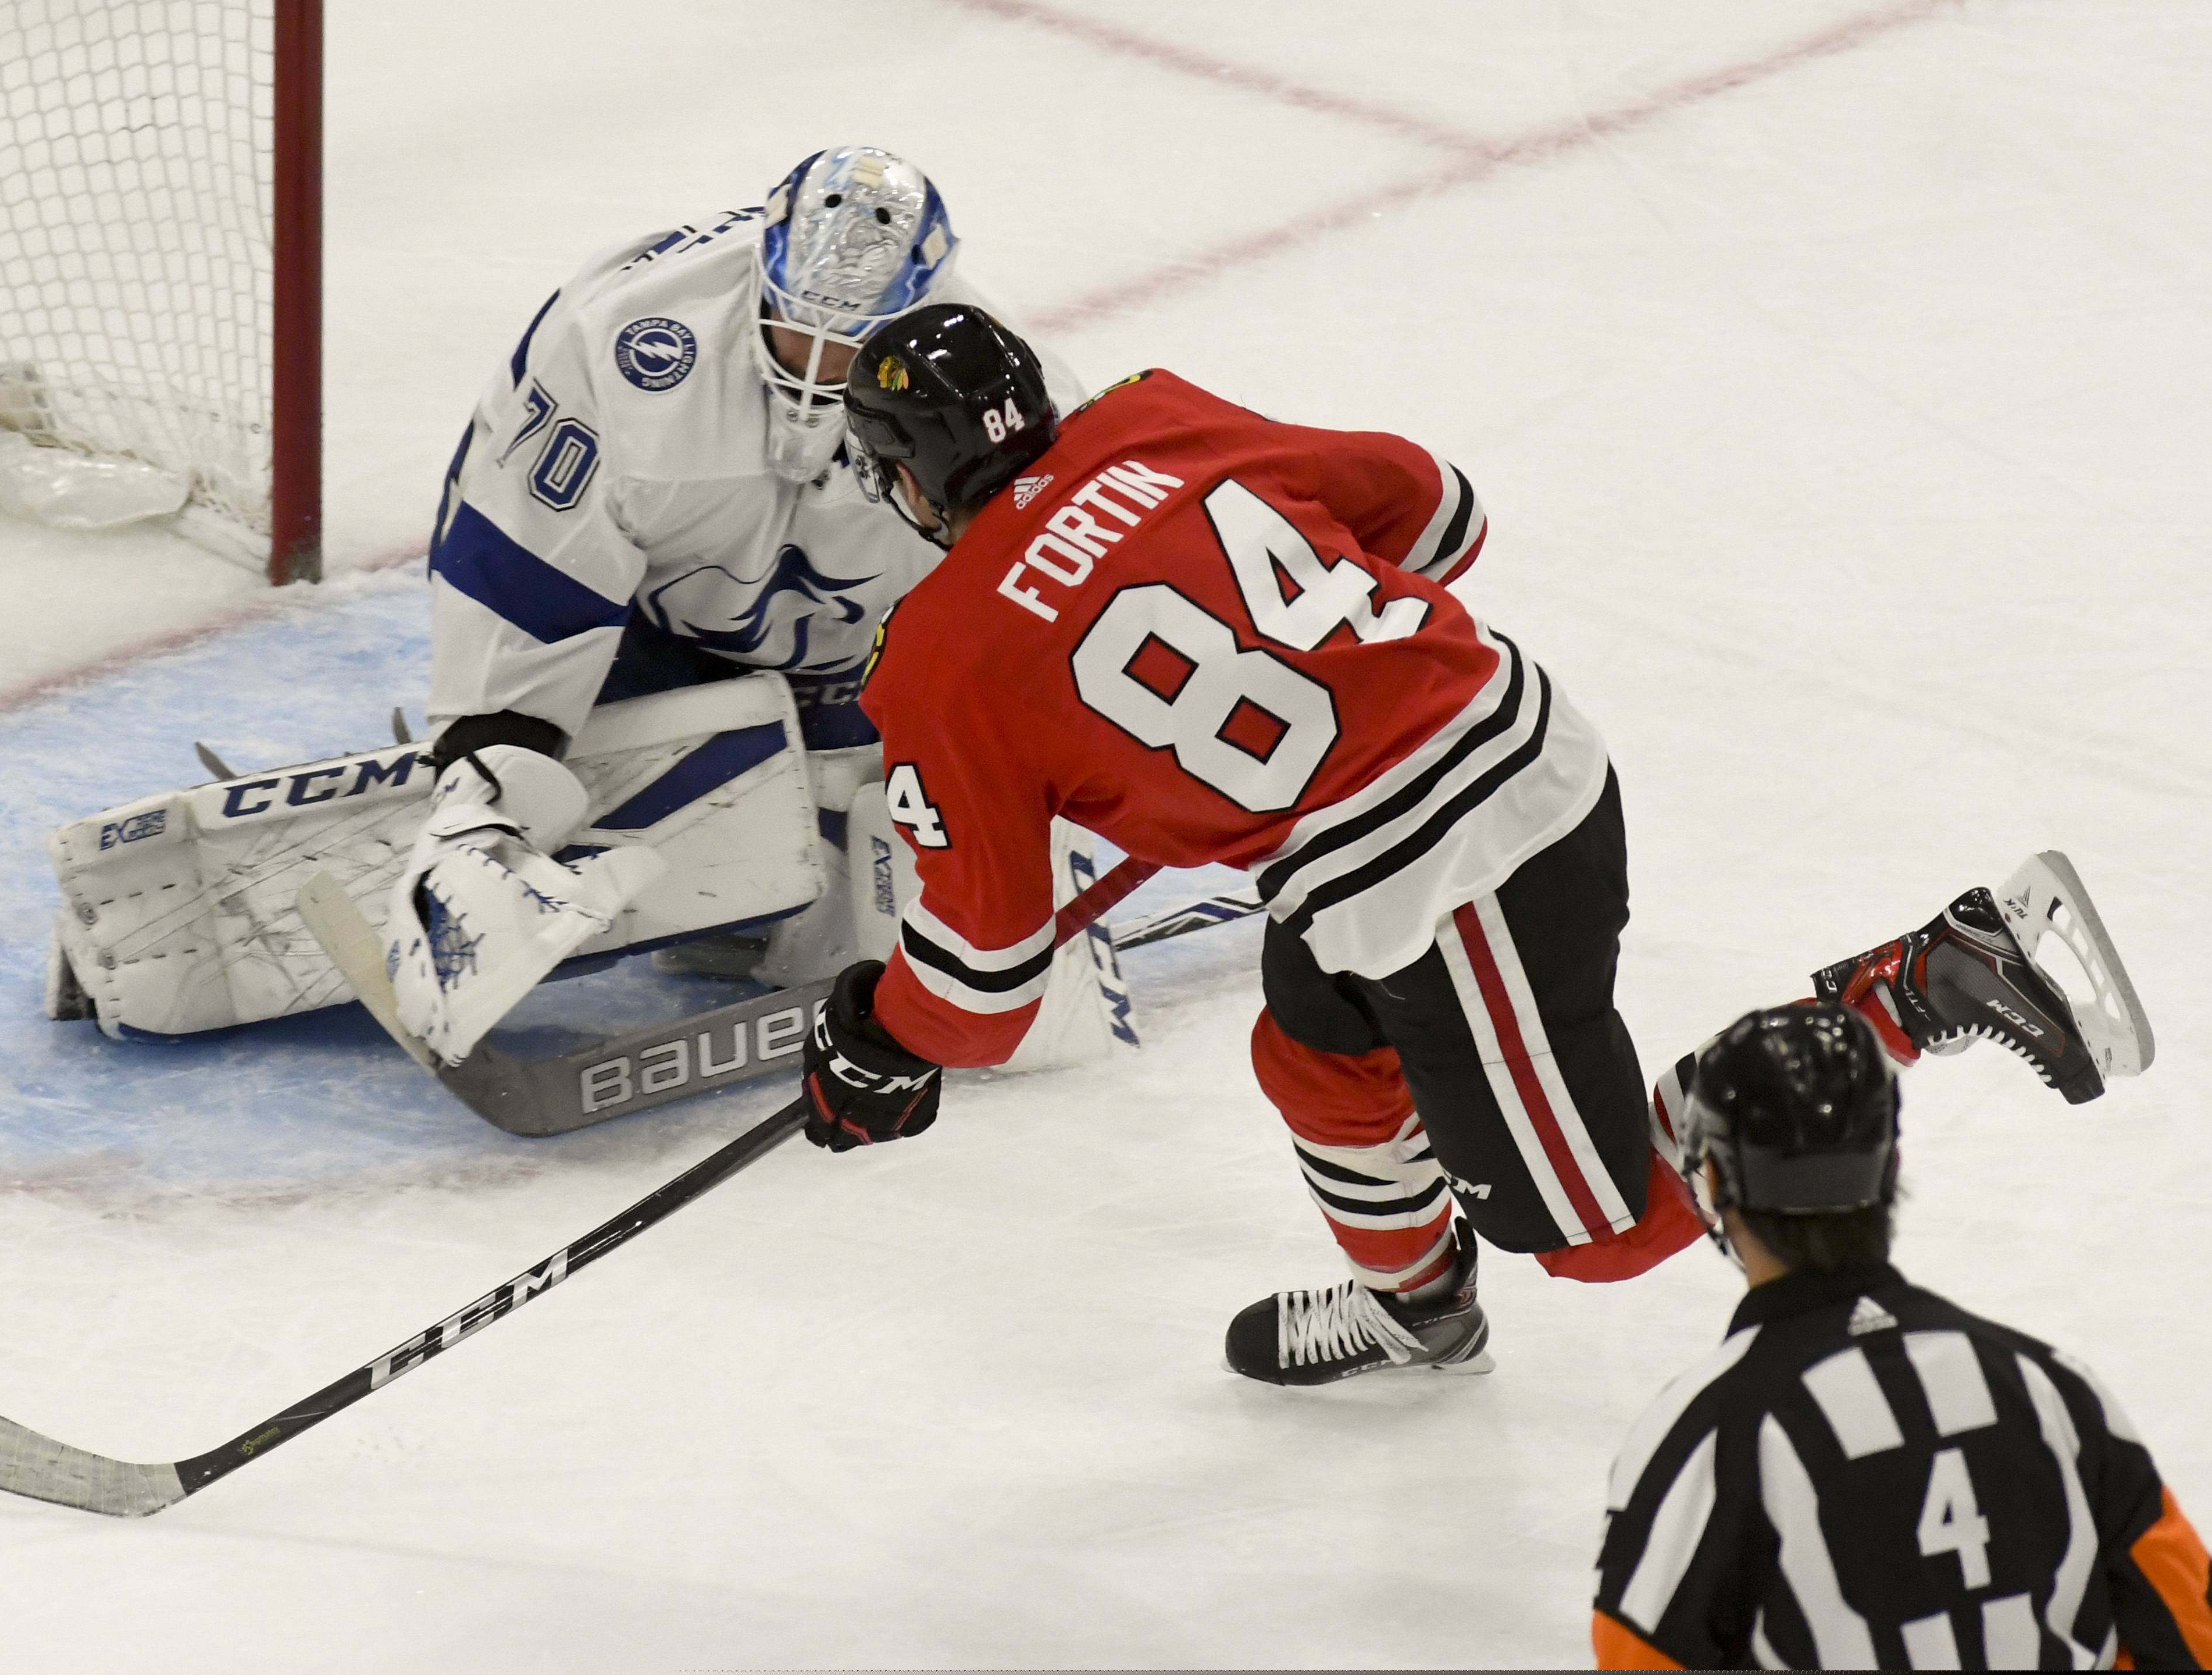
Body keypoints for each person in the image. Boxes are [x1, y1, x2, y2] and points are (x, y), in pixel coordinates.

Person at [798, 302, 2145, 1388]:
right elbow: (1440, 512)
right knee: (1315, 1050)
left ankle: (1922, 980)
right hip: (1491, 762)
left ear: (904, 476)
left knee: (1599, 1233)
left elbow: (976, 994)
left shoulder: (940, 661)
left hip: (1451, 877)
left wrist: (875, 1034)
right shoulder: (1148, 416)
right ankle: (1418, 1312)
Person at [414, 144, 1081, 991]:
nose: (812, 373)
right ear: (760, 275)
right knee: (614, 853)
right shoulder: (624, 344)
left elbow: (1040, 629)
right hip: (644, 641)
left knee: (839, 913)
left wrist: (1032, 799)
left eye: (847, 350)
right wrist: (492, 756)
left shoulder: (999, 399)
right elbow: (520, 563)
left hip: (864, 674)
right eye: (793, 328)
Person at [1592, 1004, 2211, 1670]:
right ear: (1890, 1165)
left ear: (1711, 1178)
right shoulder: (2053, 1392)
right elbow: (2191, 1637)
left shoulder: (1703, 1439)